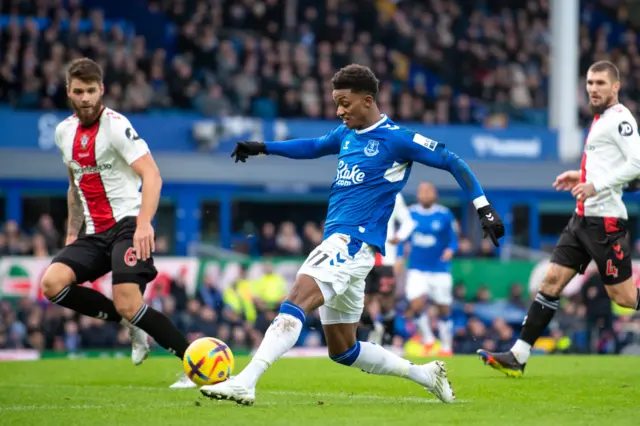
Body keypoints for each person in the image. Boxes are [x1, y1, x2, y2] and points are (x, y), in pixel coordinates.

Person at [201, 64, 504, 405]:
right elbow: (312, 146)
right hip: (349, 246)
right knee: (343, 349)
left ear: (367, 100)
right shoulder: (346, 134)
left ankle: (246, 380)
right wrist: (262, 147)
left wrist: (484, 207)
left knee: (296, 299)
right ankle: (424, 374)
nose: (339, 110)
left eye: (344, 102)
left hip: (352, 242)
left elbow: (452, 160)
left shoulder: (396, 138)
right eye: (336, 103)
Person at [478, 60, 640, 377]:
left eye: (601, 83)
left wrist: (595, 184)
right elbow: (606, 165)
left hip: (605, 222)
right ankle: (518, 356)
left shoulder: (621, 119)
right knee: (550, 282)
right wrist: (579, 175)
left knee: (624, 298)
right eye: (590, 83)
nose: (593, 88)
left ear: (616, 87)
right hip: (581, 220)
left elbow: (637, 163)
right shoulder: (601, 119)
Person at [39, 58, 193, 388]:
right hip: (93, 232)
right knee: (51, 283)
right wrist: (70, 232)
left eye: (91, 91)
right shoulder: (63, 132)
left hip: (127, 225)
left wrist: (144, 224)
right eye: (78, 91)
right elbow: (74, 185)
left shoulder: (116, 126)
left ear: (102, 90)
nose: (85, 98)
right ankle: (132, 322)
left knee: (127, 301)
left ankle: (195, 365)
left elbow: (152, 174)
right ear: (68, 92)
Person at [403, 182, 458, 356]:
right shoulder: (410, 214)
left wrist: (451, 249)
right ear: (418, 194)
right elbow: (402, 236)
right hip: (417, 268)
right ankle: (428, 339)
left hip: (439, 269)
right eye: (422, 191)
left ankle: (446, 346)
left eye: (429, 191)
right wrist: (399, 257)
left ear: (435, 194)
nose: (425, 194)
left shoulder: (444, 214)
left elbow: (453, 238)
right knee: (416, 303)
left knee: (443, 308)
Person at [363, 192, 416, 345]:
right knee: (361, 301)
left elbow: (408, 223)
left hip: (386, 257)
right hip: (363, 257)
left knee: (386, 303)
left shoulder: (393, 194)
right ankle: (374, 328)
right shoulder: (359, 191)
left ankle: (387, 341)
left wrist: (399, 240)